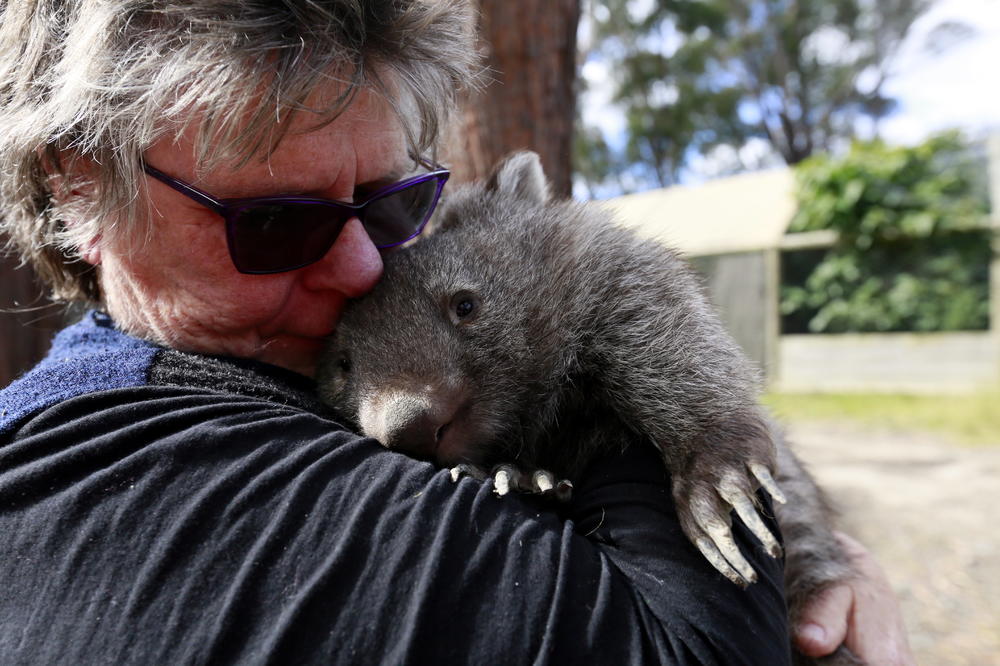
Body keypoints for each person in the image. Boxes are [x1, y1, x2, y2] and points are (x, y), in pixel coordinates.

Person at [0, 1, 912, 664]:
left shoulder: (275, 345)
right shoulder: (122, 482)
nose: (362, 268)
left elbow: (577, 262)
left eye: (393, 205)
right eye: (276, 220)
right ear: (82, 189)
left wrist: (715, 439)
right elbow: (699, 646)